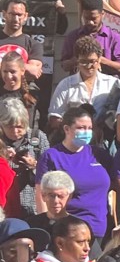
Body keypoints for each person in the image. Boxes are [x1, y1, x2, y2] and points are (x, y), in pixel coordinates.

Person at [35, 106, 112, 251]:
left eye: (89, 128)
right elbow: (41, 194)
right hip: (68, 231)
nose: (86, 132)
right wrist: (45, 227)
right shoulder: (52, 156)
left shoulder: (99, 155)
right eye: (81, 128)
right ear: (66, 129)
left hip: (98, 229)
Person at [48, 36, 120, 129]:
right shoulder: (66, 85)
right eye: (83, 62)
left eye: (92, 61)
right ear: (77, 61)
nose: (88, 66)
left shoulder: (112, 83)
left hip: (104, 138)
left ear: (99, 60)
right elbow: (55, 117)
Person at [0, 97, 48, 219]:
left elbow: (51, 174)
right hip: (6, 208)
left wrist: (35, 166)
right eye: (10, 127)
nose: (15, 132)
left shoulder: (38, 137)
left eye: (19, 127)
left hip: (33, 207)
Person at [59, 0, 120, 76]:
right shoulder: (73, 36)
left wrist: (100, 60)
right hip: (79, 84)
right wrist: (80, 60)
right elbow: (64, 65)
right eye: (86, 18)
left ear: (102, 14)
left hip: (106, 84)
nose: (90, 22)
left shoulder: (114, 38)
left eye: (94, 18)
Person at [0, 0, 44, 82]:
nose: (16, 19)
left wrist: (2, 66)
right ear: (4, 14)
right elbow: (28, 69)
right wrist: (23, 67)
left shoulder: (34, 44)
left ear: (25, 16)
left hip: (20, 93)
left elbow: (33, 72)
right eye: (12, 14)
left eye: (19, 15)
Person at [25, 171, 73, 236]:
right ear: (43, 196)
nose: (56, 201)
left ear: (69, 196)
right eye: (51, 195)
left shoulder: (78, 226)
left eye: (60, 196)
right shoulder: (30, 225)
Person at [0, 52, 38, 127]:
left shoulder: (31, 98)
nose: (8, 76)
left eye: (12, 72)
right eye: (5, 71)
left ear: (22, 71)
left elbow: (32, 126)